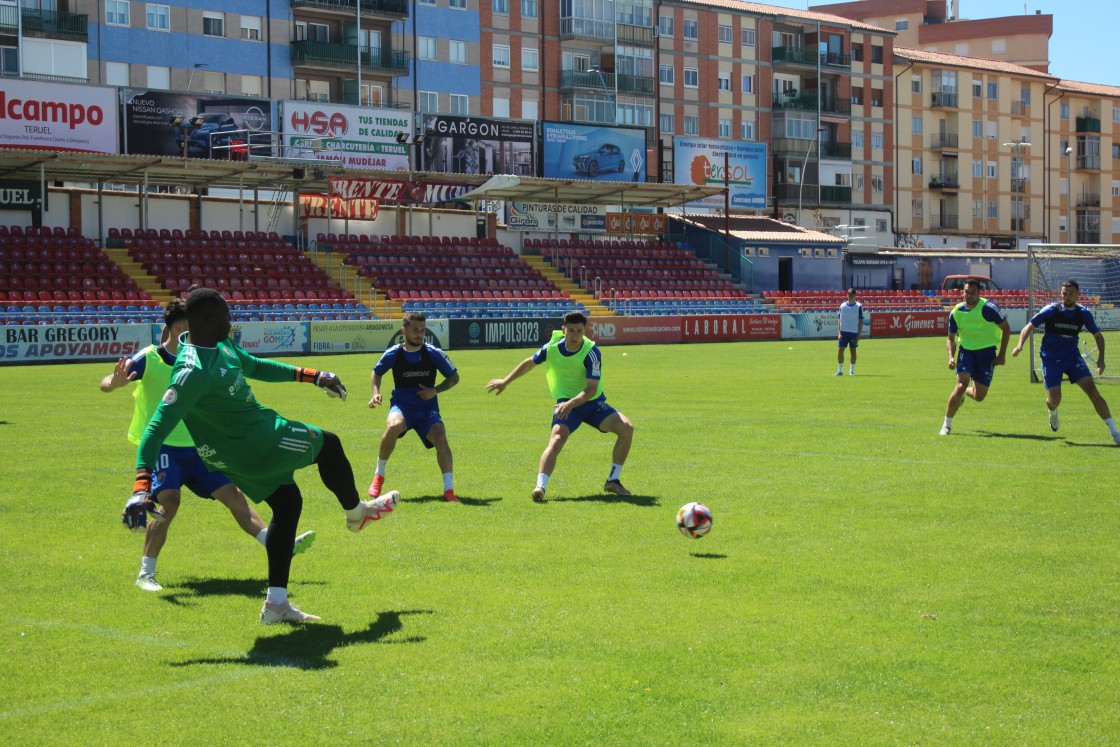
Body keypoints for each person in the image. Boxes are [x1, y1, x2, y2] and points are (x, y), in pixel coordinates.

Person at [126, 287, 399, 625]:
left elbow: (255, 365)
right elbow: (154, 429)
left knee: (288, 503)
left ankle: (276, 604)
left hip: (240, 449)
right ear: (210, 321)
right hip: (257, 441)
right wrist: (141, 486)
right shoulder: (191, 370)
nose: (232, 318)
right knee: (329, 445)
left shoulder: (219, 345)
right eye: (226, 314)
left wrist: (314, 376)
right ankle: (357, 513)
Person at [103, 298, 314, 592]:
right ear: (173, 328)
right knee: (169, 503)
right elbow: (108, 381)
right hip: (167, 449)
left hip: (201, 446)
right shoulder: (150, 357)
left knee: (234, 496)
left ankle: (276, 543)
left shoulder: (204, 357)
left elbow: (252, 368)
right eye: (185, 328)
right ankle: (145, 573)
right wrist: (114, 382)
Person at [485, 310, 634, 502]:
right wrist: (506, 381)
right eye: (571, 330)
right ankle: (540, 487)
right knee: (556, 440)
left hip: (592, 403)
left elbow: (590, 389)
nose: (575, 336)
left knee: (627, 428)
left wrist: (571, 404)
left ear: (584, 331)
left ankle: (613, 481)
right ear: (563, 329)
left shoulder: (591, 352)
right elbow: (530, 363)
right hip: (566, 403)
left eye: (579, 331)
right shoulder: (552, 348)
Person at [1011, 279, 1120, 443]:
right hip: (1051, 359)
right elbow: (1029, 327)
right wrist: (1019, 345)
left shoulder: (1083, 313)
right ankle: (1053, 412)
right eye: (1064, 294)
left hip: (1072, 358)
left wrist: (1101, 359)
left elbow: (1098, 335)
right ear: (1060, 294)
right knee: (1054, 400)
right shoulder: (1051, 310)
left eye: (1070, 294)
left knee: (1093, 392)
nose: (1066, 297)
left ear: (1078, 294)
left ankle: (1115, 432)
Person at [368, 313, 461, 502]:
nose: (420, 334)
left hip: (427, 410)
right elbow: (377, 373)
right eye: (415, 330)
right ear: (404, 331)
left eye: (423, 330)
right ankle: (379, 475)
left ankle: (449, 490)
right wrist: (375, 392)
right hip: (402, 406)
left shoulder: (433, 353)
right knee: (393, 427)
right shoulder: (394, 353)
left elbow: (454, 377)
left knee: (441, 438)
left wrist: (435, 390)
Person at [940, 278, 1012, 435]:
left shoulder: (989, 309)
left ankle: (965, 394)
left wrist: (1002, 355)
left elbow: (1006, 330)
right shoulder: (956, 312)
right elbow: (950, 339)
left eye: (973, 292)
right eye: (966, 292)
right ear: (962, 292)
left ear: (979, 293)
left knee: (979, 396)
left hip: (987, 355)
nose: (969, 295)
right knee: (961, 384)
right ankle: (946, 425)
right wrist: (951, 357)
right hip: (967, 353)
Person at [835, 287, 864, 376]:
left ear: (855, 296)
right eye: (848, 295)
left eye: (852, 295)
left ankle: (851, 371)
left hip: (853, 332)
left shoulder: (858, 306)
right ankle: (840, 370)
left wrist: (859, 334)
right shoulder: (842, 306)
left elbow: (860, 321)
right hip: (843, 332)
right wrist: (839, 332)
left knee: (853, 351)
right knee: (840, 350)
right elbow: (839, 319)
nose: (850, 296)